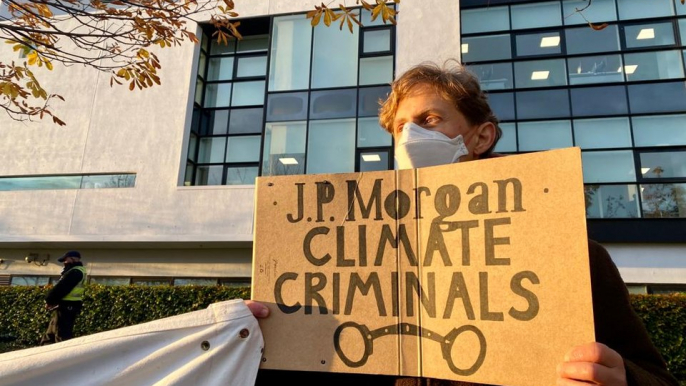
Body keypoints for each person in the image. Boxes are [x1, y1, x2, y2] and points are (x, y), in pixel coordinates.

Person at [249, 63, 679, 386]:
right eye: (400, 128)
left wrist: (622, 378)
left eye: (429, 120)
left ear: (481, 137)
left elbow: (658, 378)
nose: (409, 138)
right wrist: (255, 339)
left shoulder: (572, 255)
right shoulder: (356, 255)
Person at [44, 250, 87, 342]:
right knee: (51, 333)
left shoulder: (75, 272)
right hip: (66, 306)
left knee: (61, 334)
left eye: (66, 260)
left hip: (67, 307)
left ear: (73, 259)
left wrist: (49, 300)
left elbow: (62, 288)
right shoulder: (76, 271)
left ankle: (62, 355)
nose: (64, 263)